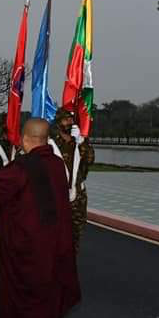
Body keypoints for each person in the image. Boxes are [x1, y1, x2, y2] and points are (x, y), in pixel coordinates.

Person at [0, 118, 81, 318]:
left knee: (27, 291)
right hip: (55, 242)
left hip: (28, 245)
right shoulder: (55, 164)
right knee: (47, 288)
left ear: (24, 138)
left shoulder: (20, 168)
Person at [49, 107, 95, 252]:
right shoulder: (51, 143)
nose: (69, 122)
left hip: (77, 197)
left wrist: (81, 142)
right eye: (66, 119)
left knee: (75, 235)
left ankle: (70, 268)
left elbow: (90, 160)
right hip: (56, 196)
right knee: (54, 235)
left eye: (71, 119)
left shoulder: (79, 141)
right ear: (58, 122)